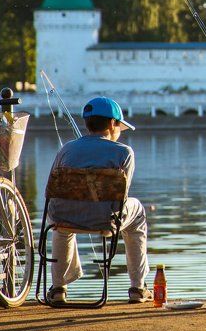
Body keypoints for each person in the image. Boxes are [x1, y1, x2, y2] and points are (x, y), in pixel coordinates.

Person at [45, 97, 152, 304]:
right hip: (104, 221)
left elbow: (52, 190)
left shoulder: (66, 149)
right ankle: (138, 288)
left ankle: (58, 287)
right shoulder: (124, 152)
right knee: (137, 211)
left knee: (61, 222)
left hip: (62, 217)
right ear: (112, 124)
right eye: (119, 126)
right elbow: (123, 195)